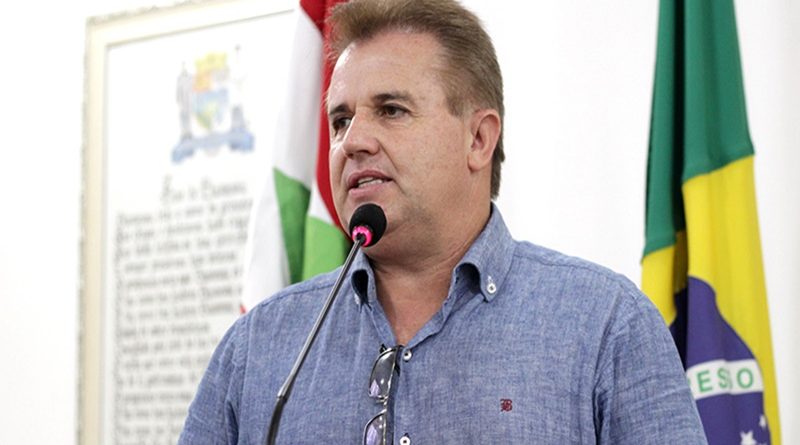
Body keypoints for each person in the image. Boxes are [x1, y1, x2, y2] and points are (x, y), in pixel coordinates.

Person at [179, 0, 707, 443]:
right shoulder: (259, 348)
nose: (353, 141)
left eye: (391, 110)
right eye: (341, 119)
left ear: (478, 139)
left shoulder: (605, 326)